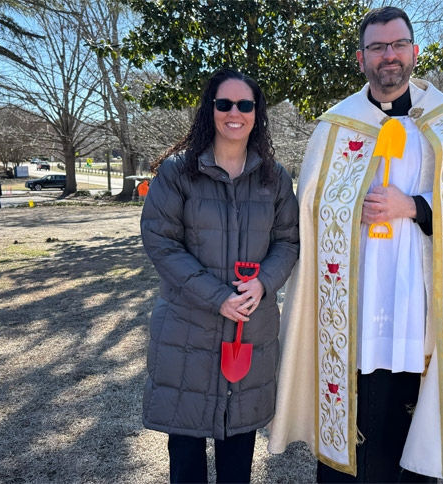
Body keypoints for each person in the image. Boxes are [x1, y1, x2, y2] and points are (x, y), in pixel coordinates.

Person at [268, 7, 443, 484]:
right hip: (354, 304)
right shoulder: (337, 125)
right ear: (361, 58)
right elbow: (311, 207)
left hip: (416, 305)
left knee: (406, 429)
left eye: (398, 44)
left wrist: (412, 206)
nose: (389, 55)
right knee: (354, 426)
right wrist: (348, 206)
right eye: (377, 47)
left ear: (414, 51)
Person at [140, 68, 300, 484]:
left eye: (245, 104)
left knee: (238, 455)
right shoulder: (177, 172)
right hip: (187, 331)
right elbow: (162, 243)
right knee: (186, 456)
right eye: (224, 103)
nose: (234, 113)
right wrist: (217, 297)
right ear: (210, 110)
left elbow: (288, 241)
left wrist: (264, 282)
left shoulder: (275, 178)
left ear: (256, 113)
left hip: (250, 330)